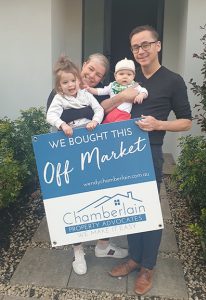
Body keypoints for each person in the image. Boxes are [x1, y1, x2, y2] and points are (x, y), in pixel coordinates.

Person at [107, 25, 192, 295]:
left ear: (158, 45)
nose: (141, 51)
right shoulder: (125, 81)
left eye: (145, 44)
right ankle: (134, 257)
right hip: (120, 153)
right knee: (128, 208)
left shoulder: (172, 80)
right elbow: (100, 108)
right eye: (135, 47)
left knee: (149, 212)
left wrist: (159, 125)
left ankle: (148, 266)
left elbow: (187, 122)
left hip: (149, 153)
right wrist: (122, 95)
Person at [46, 53, 128, 275]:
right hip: (71, 156)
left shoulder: (98, 93)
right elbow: (53, 119)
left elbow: (104, 112)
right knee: (75, 202)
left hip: (99, 156)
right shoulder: (59, 92)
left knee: (105, 200)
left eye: (98, 74)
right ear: (83, 66)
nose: (92, 75)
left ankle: (103, 245)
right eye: (90, 69)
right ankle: (78, 251)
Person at [46, 56, 104, 137]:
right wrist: (63, 125)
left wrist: (95, 121)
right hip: (70, 135)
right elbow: (51, 115)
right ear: (59, 86)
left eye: (73, 80)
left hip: (90, 133)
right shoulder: (59, 98)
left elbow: (99, 109)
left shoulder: (86, 94)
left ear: (79, 80)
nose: (71, 85)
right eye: (65, 82)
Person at [86, 58, 148, 123]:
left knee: (118, 126)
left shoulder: (135, 86)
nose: (125, 76)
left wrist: (141, 95)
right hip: (112, 112)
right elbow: (101, 91)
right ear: (115, 76)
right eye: (121, 74)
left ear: (133, 76)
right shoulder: (112, 85)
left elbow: (144, 91)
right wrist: (90, 89)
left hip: (123, 113)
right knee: (105, 125)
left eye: (129, 74)